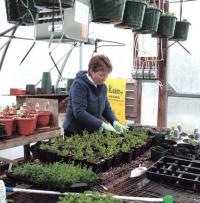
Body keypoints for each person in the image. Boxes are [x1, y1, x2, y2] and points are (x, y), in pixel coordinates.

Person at [63, 54, 127, 136]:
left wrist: (114, 121)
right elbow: (79, 112)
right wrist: (102, 124)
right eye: (101, 75)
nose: (104, 79)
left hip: (92, 130)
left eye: (106, 75)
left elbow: (106, 107)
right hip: (75, 131)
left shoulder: (102, 86)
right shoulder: (79, 85)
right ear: (91, 71)